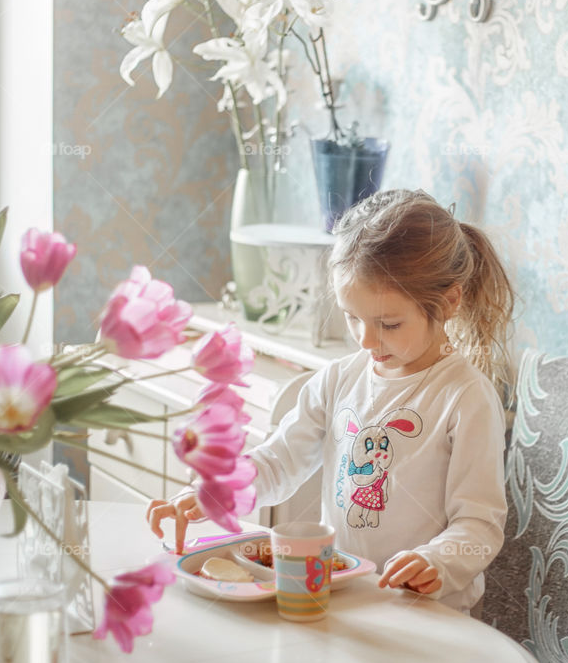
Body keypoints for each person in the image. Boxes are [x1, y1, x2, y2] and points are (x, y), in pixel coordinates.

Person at [147, 189, 515, 612]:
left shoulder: (466, 398)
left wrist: (436, 561)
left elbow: (479, 523)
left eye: (389, 324)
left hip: (426, 614)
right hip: (344, 599)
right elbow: (279, 460)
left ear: (450, 301)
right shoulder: (339, 379)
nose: (365, 339)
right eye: (352, 316)